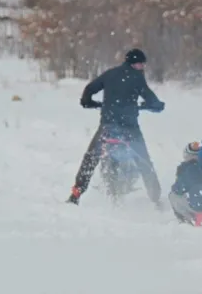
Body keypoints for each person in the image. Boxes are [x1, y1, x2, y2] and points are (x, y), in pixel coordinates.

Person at [67, 49, 166, 207]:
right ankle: (156, 198)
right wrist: (153, 106)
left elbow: (90, 89)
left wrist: (88, 102)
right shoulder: (137, 78)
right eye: (142, 64)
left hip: (108, 126)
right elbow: (152, 101)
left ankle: (76, 193)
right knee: (144, 161)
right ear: (136, 64)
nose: (143, 68)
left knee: (91, 158)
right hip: (130, 129)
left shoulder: (110, 74)